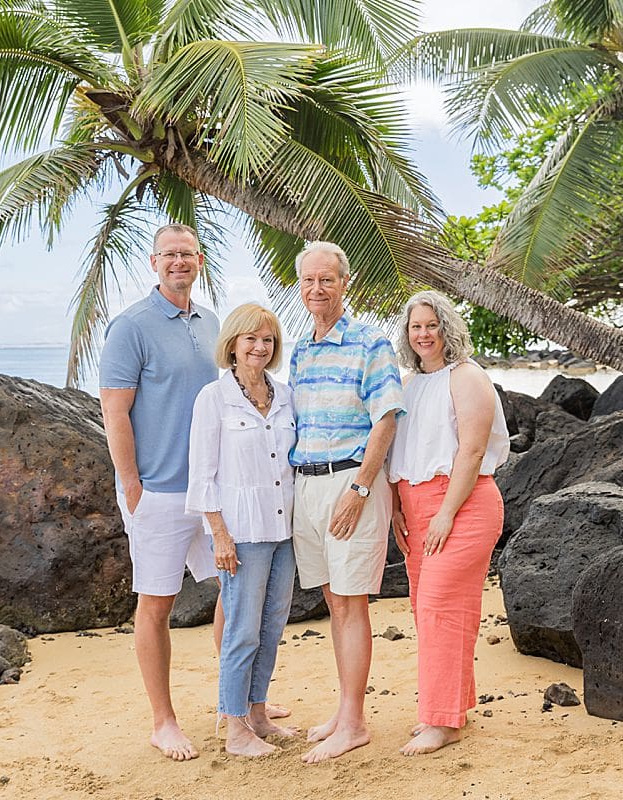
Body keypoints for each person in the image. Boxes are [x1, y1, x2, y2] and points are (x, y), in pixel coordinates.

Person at [99, 223, 219, 761]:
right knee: (156, 604)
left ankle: (238, 698)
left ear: (199, 260)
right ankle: (163, 720)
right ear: (154, 262)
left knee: (236, 591)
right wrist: (131, 486)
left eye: (187, 254)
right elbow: (114, 413)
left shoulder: (212, 322)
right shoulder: (131, 327)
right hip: (159, 493)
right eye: (169, 255)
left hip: (212, 490)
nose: (179, 263)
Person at [287, 241, 404, 763]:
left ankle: (354, 723)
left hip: (349, 484)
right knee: (334, 601)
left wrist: (360, 488)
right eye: (309, 280)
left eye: (327, 280)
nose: (317, 289)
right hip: (306, 484)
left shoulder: (370, 343)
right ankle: (344, 709)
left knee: (352, 602)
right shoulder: (299, 350)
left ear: (345, 282)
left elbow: (386, 419)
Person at [386, 290, 510, 756]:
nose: (423, 335)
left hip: (463, 504)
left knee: (441, 606)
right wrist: (399, 508)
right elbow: (402, 453)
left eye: (431, 326)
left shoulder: (467, 376)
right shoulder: (409, 383)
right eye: (415, 327)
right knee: (430, 611)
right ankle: (450, 707)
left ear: (447, 329)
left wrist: (445, 513)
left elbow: (472, 451)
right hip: (416, 509)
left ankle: (442, 721)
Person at [187, 303, 299, 757]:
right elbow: (202, 474)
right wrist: (219, 533)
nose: (259, 346)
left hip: (284, 527)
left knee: (272, 626)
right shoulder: (213, 399)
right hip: (242, 531)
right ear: (232, 344)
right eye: (250, 338)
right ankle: (233, 727)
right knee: (242, 630)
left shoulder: (285, 394)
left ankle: (257, 714)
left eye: (267, 339)